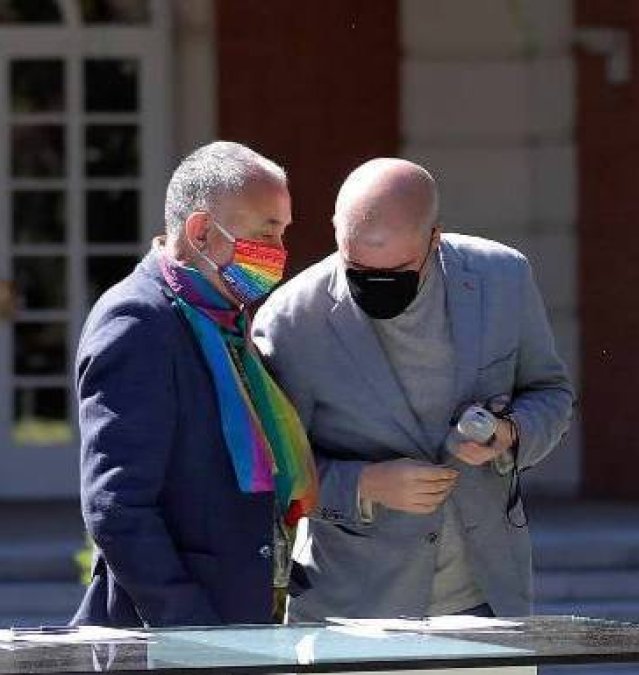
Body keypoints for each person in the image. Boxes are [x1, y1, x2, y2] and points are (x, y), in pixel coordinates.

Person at [252, 158, 574, 621]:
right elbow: (275, 470)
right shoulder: (290, 320)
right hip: (352, 612)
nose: (377, 283)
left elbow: (552, 394)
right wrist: (367, 484)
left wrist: (508, 434)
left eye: (400, 269)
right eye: (357, 267)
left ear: (435, 238)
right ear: (336, 231)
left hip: (487, 599)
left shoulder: (504, 277)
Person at [73, 141, 317, 627]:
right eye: (266, 233)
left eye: (283, 234)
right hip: (184, 636)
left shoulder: (223, 319)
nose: (279, 254)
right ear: (202, 231)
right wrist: (191, 628)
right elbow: (117, 508)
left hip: (247, 621)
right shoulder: (139, 322)